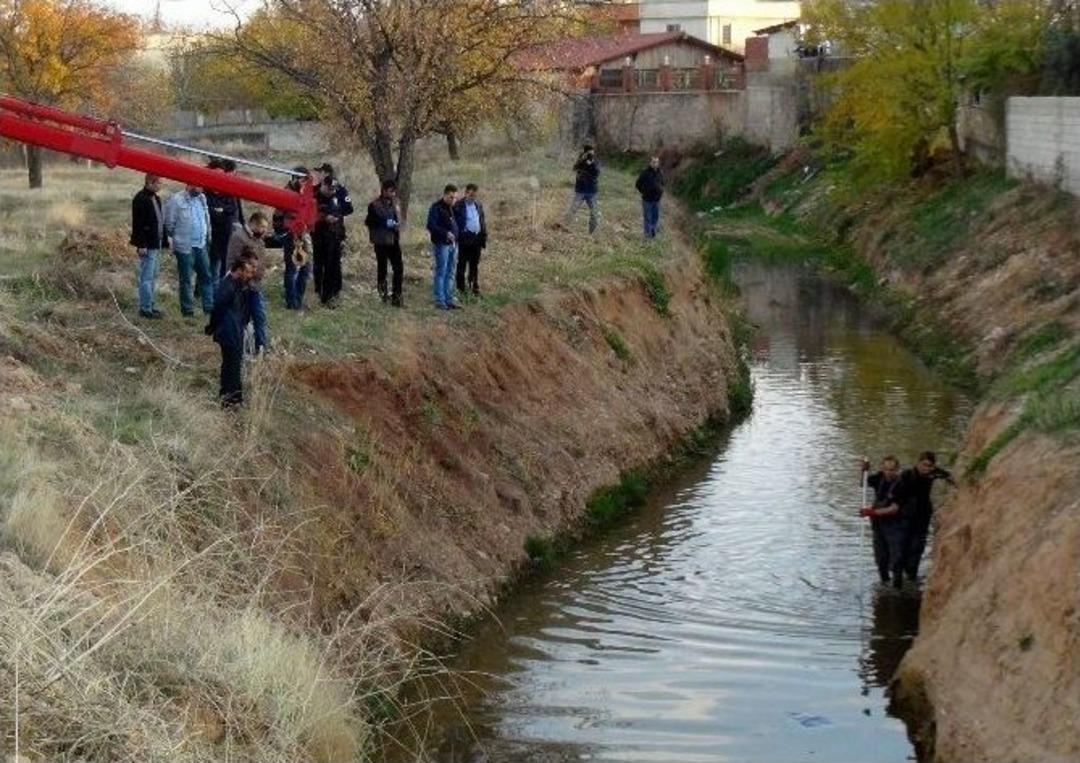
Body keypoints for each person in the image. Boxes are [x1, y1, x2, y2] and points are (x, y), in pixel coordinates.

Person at [889, 451, 955, 583]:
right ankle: (896, 579)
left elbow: (949, 476)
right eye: (924, 465)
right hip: (905, 516)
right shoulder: (906, 475)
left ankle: (911, 577)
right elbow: (893, 494)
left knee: (917, 547)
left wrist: (955, 484)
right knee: (900, 548)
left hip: (922, 516)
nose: (927, 469)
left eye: (930, 466)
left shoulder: (933, 473)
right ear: (918, 463)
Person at [206, 248, 259, 408]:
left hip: (235, 330)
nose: (251, 275)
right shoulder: (227, 287)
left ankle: (231, 397)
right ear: (239, 269)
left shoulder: (238, 284)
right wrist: (212, 327)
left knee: (232, 364)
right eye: (249, 271)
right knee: (232, 366)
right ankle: (231, 400)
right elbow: (218, 310)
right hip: (229, 332)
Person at [227, 211, 283, 355]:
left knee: (260, 317)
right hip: (242, 287)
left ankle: (261, 349)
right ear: (252, 224)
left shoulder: (259, 240)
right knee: (242, 319)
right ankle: (241, 349)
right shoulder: (238, 237)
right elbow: (232, 262)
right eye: (261, 227)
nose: (264, 231)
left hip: (256, 286)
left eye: (265, 227)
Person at [163, 184, 213, 318]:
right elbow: (169, 225)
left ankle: (209, 307)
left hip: (201, 245)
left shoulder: (202, 198)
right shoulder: (176, 200)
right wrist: (178, 239)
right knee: (186, 279)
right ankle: (187, 310)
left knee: (206, 276)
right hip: (185, 247)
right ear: (190, 184)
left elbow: (206, 219)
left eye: (203, 186)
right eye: (199, 186)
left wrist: (207, 236)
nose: (202, 189)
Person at [311, 163, 353, 307]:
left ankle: (331, 294)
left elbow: (348, 208)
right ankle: (319, 290)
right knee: (319, 263)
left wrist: (336, 214)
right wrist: (324, 217)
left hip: (335, 233)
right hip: (318, 233)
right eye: (329, 189)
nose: (331, 191)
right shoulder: (314, 192)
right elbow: (309, 211)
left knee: (333, 264)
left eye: (320, 172)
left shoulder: (339, 191)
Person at [859, 456, 905, 588]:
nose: (888, 472)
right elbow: (863, 483)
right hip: (878, 525)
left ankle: (897, 588)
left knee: (896, 559)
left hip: (895, 525)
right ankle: (884, 584)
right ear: (882, 469)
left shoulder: (901, 485)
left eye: (892, 470)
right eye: (886, 469)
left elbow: (894, 509)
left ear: (897, 470)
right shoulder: (879, 478)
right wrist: (863, 471)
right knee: (880, 558)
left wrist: (871, 512)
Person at [274, 166, 314, 311]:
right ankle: (291, 302)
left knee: (306, 268)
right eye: (303, 180)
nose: (305, 183)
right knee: (292, 268)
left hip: (304, 235)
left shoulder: (305, 194)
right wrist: (287, 232)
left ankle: (298, 298)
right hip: (291, 236)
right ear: (295, 178)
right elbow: (277, 217)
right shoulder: (286, 194)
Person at [130, 174, 167, 319]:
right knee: (146, 277)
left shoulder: (156, 198)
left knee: (153, 277)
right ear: (150, 183)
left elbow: (159, 222)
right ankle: (145, 308)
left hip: (155, 244)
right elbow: (137, 225)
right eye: (159, 183)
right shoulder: (140, 199)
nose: (160, 186)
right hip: (147, 245)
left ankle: (150, 305)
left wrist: (164, 241)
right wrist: (141, 244)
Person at [364, 179, 404, 307]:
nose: (393, 194)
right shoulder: (374, 205)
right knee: (382, 269)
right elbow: (369, 221)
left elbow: (399, 218)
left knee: (399, 268)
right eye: (390, 191)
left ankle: (397, 297)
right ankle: (383, 296)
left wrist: (398, 225)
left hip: (394, 240)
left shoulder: (396, 203)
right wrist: (384, 223)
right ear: (384, 190)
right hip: (381, 241)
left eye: (394, 191)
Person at [205, 158, 244, 280]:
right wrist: (220, 211)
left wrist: (220, 211)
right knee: (209, 265)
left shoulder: (229, 191)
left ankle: (220, 292)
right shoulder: (205, 193)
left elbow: (233, 209)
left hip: (226, 235)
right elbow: (208, 211)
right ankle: (203, 292)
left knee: (225, 264)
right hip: (210, 235)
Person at [426, 184, 460, 310]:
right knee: (441, 271)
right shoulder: (436, 208)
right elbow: (431, 225)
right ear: (445, 195)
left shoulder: (453, 208)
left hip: (454, 244)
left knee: (451, 272)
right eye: (451, 197)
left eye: (455, 198)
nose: (453, 200)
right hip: (442, 244)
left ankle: (449, 298)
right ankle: (440, 300)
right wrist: (445, 233)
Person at [453, 183, 488, 297]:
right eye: (471, 195)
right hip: (464, 239)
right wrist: (459, 235)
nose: (473, 197)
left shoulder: (478, 205)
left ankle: (474, 287)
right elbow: (453, 223)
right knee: (462, 265)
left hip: (477, 239)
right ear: (466, 193)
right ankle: (461, 289)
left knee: (474, 265)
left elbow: (481, 220)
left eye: (475, 195)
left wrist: (484, 235)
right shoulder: (458, 206)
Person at [564, 144, 600, 234]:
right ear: (585, 152)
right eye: (589, 153)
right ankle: (564, 226)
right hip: (580, 190)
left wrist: (592, 164)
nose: (591, 155)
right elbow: (574, 168)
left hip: (592, 191)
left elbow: (597, 173)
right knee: (572, 209)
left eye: (592, 153)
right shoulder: (581, 160)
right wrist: (582, 161)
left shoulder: (595, 161)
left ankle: (591, 232)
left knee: (594, 213)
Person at [635, 156, 665, 238]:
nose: (655, 164)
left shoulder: (660, 173)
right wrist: (644, 191)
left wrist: (661, 191)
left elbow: (663, 183)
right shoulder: (645, 173)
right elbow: (638, 184)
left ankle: (653, 233)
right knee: (648, 218)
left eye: (657, 162)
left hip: (657, 200)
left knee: (655, 218)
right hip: (647, 200)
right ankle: (647, 235)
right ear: (650, 163)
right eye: (654, 162)